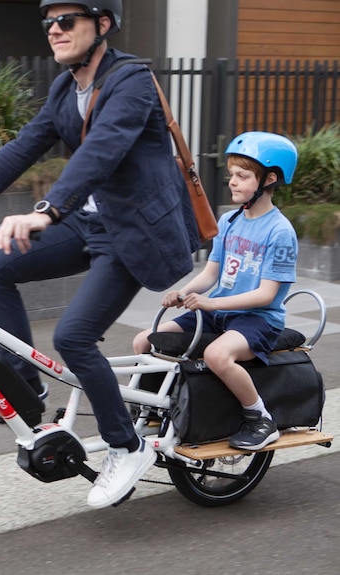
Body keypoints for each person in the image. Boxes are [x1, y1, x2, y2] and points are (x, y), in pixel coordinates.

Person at [0, 0, 199, 509]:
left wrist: (45, 211)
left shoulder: (131, 80)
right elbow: (23, 147)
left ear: (102, 24)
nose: (54, 30)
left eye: (67, 21)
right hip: (91, 223)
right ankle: (24, 392)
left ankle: (126, 447)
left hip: (133, 234)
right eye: (48, 22)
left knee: (73, 336)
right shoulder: (66, 87)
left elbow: (102, 150)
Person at [133, 131, 299, 451]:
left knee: (216, 355)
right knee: (144, 340)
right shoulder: (228, 220)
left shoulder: (279, 231)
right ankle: (155, 408)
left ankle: (260, 419)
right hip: (218, 313)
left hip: (258, 319)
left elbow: (266, 295)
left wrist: (209, 304)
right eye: (231, 175)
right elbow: (212, 272)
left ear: (270, 179)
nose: (232, 182)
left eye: (242, 175)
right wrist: (183, 293)